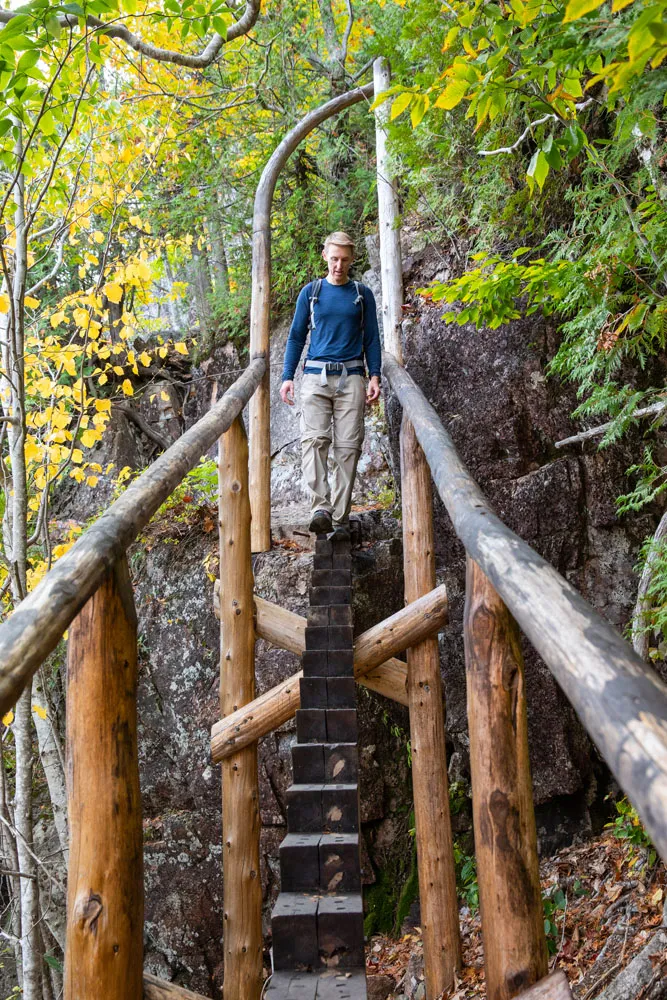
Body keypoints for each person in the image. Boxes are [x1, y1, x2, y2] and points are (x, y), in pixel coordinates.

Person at [280, 231, 381, 537]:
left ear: (351, 260)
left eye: (344, 260)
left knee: (349, 448)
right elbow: (297, 337)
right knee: (314, 442)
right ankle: (320, 508)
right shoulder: (310, 293)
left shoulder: (362, 295)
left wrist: (374, 374)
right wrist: (287, 376)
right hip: (314, 377)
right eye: (334, 258)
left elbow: (372, 338)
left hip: (352, 378)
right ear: (324, 256)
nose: (339, 265)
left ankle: (339, 516)